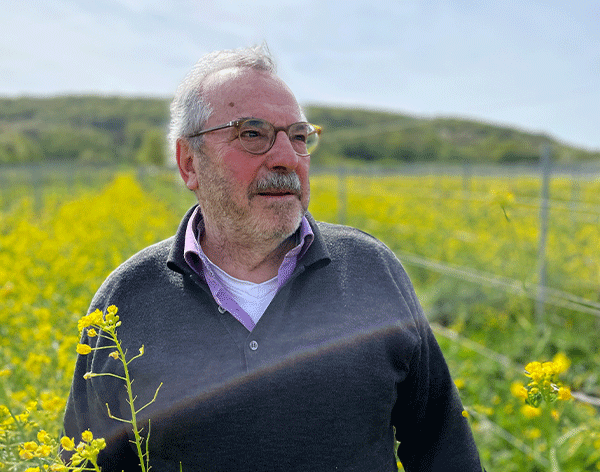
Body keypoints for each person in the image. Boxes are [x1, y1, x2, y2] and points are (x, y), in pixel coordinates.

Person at [63, 45, 484, 472]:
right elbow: (84, 463)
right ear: (189, 162)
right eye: (252, 133)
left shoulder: (372, 271)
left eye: (298, 137)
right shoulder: (127, 301)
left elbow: (441, 446)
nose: (287, 158)